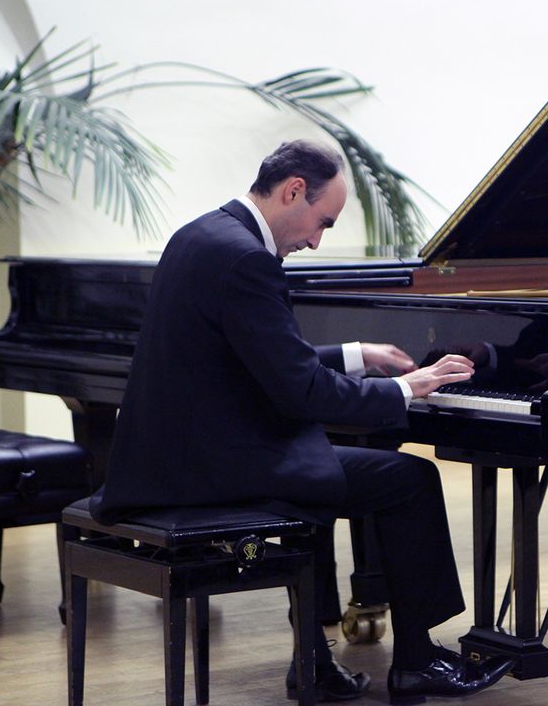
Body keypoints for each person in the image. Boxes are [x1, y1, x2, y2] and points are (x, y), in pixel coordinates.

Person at [88, 139, 512, 703]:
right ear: (293, 191)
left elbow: (258, 358)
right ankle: (416, 661)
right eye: (322, 222)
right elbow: (301, 391)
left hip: (178, 456)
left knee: (324, 466)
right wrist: (405, 389)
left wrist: (358, 354)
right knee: (409, 479)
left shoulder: (202, 235)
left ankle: (313, 660)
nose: (315, 241)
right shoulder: (248, 259)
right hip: (212, 469)